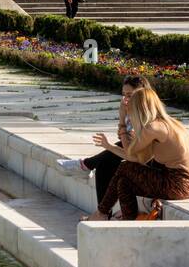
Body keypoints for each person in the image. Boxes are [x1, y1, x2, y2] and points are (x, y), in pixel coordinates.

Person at [82, 86, 189, 221]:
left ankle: (101, 213)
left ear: (139, 109)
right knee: (124, 182)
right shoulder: (168, 123)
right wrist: (108, 146)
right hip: (185, 184)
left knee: (125, 167)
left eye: (131, 109)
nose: (130, 114)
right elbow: (137, 158)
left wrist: (122, 123)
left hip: (177, 184)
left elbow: (129, 153)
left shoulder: (154, 128)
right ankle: (129, 223)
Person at [57, 74, 151, 208]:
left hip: (150, 164)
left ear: (142, 95)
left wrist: (122, 121)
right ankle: (103, 213)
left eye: (130, 95)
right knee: (103, 166)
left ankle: (86, 165)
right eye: (124, 95)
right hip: (137, 155)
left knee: (111, 158)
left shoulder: (148, 115)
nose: (125, 99)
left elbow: (131, 150)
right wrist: (123, 121)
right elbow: (128, 144)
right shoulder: (131, 111)